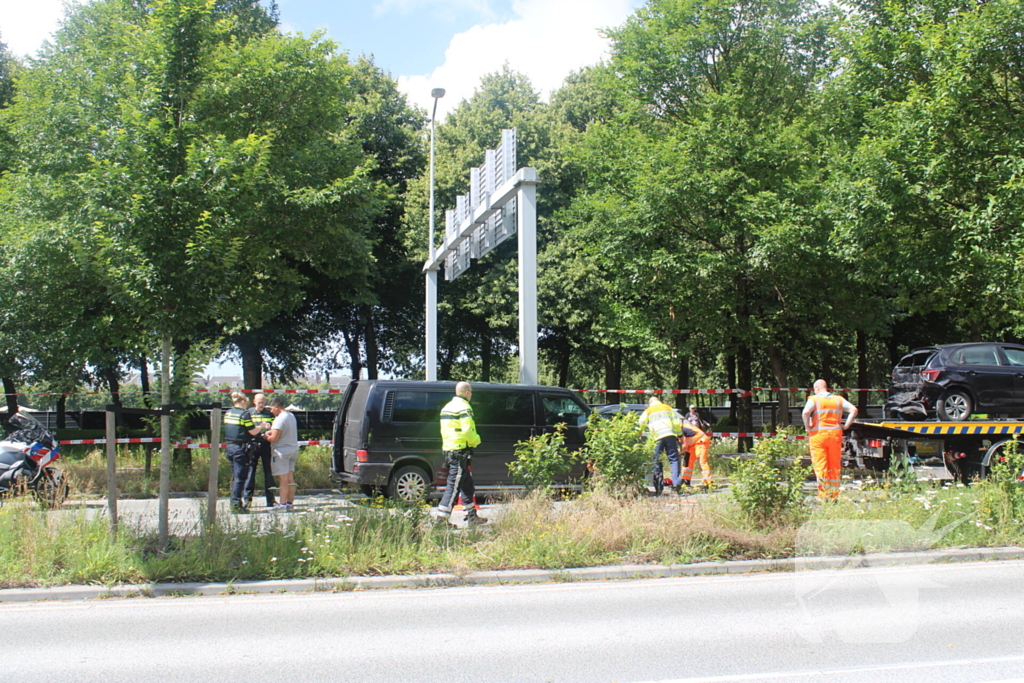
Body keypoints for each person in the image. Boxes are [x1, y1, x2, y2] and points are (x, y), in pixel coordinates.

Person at [438, 381, 486, 526]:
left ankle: (472, 516)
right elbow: (467, 430)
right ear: (466, 393)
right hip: (460, 451)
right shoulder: (464, 407)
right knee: (453, 487)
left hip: (450, 449)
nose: (471, 394)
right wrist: (476, 440)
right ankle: (441, 521)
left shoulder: (447, 407)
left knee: (467, 485)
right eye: (470, 392)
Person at [802, 379, 858, 500]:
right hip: (835, 435)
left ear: (816, 388)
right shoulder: (838, 399)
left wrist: (808, 427)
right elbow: (853, 410)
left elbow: (806, 412)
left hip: (818, 436)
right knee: (834, 464)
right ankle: (834, 495)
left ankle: (823, 495)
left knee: (821, 464)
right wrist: (847, 425)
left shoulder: (814, 399)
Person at [223, 392, 261, 513]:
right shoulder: (244, 415)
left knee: (234, 476)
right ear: (243, 401)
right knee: (240, 477)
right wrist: (262, 426)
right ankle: (236, 505)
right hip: (240, 448)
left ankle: (233, 501)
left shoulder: (228, 413)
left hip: (229, 447)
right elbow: (253, 431)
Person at [639, 396, 683, 493]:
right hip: (670, 436)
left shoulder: (649, 410)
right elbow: (676, 422)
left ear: (650, 403)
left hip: (657, 437)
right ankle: (676, 483)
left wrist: (648, 425)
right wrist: (679, 434)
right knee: (674, 459)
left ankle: (659, 486)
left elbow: (640, 422)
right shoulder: (667, 407)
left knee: (656, 460)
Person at [264, 395, 299, 511]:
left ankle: (282, 504)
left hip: (281, 452)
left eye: (271, 408)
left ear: (276, 407)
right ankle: (290, 503)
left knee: (282, 479)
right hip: (293, 450)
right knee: (290, 478)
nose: (270, 410)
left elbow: (274, 438)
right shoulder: (291, 415)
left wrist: (265, 436)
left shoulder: (279, 419)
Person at [243, 392, 276, 509]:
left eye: (263, 402)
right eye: (259, 402)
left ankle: (270, 499)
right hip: (252, 445)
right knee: (250, 473)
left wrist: (269, 428)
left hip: (266, 444)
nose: (261, 404)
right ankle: (247, 499)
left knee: (268, 472)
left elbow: (275, 427)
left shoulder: (269, 413)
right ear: (254, 402)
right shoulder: (249, 413)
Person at [680, 422, 714, 489]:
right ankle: (685, 480)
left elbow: (684, 447)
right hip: (693, 443)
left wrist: (677, 452)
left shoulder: (680, 428)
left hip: (701, 442)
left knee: (701, 461)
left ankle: (708, 482)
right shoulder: (681, 426)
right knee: (687, 461)